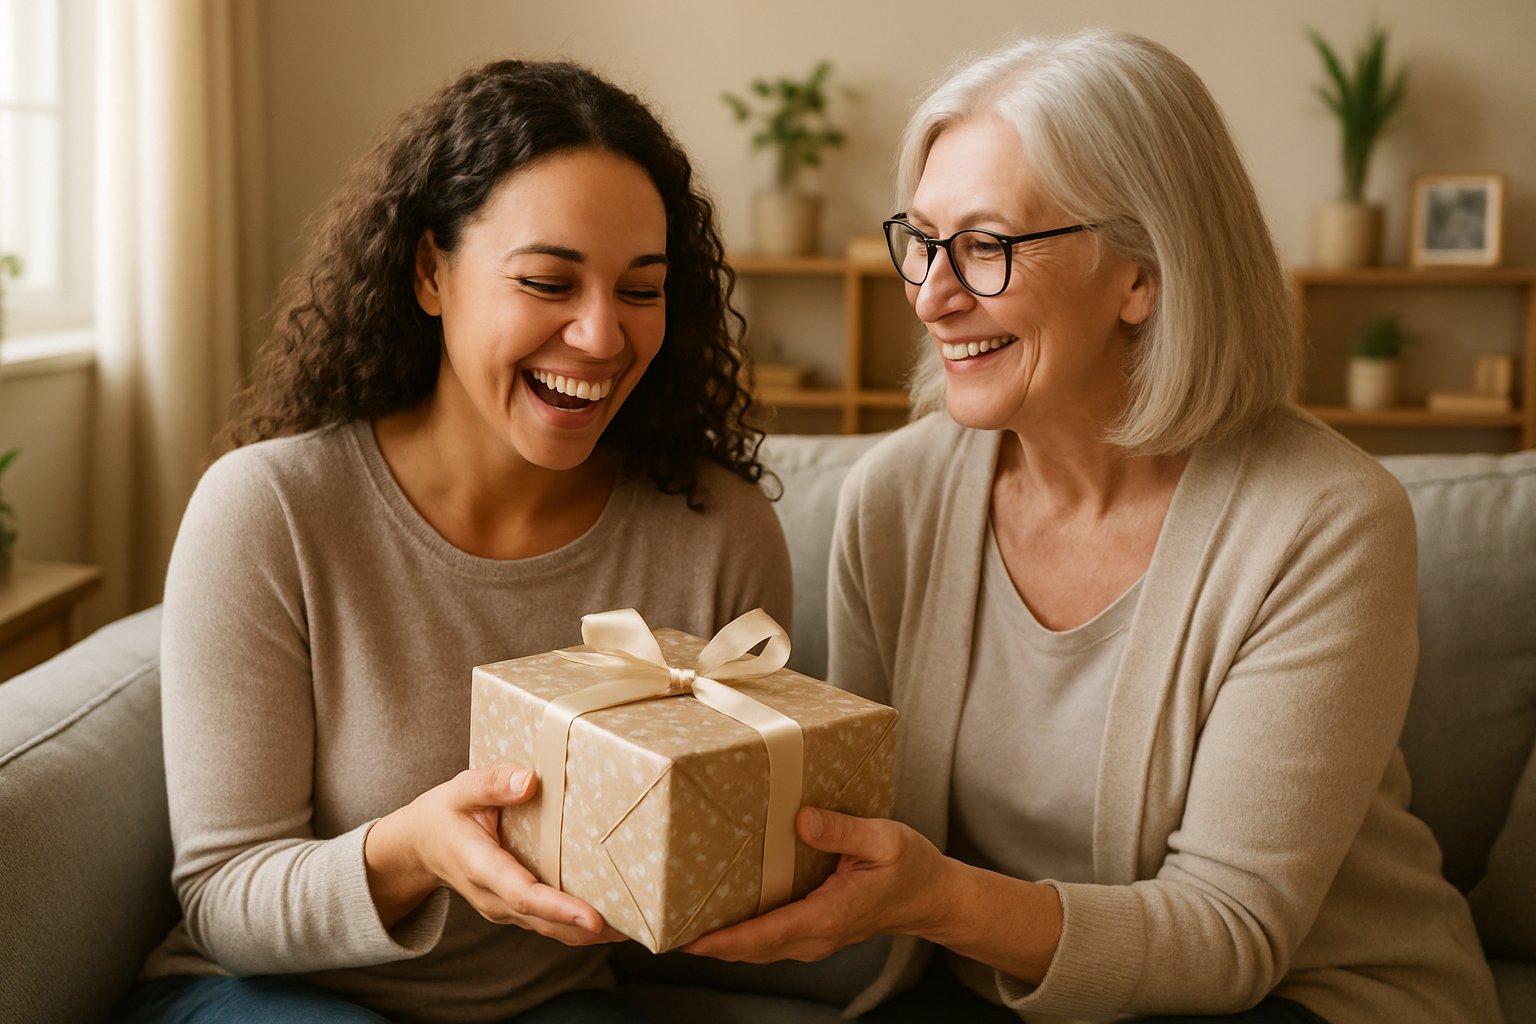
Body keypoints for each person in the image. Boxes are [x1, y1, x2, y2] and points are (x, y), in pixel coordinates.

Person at [685, 30, 1501, 1024]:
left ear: (1142, 274)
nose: (934, 295)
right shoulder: (895, 496)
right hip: (1000, 984)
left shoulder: (1324, 523)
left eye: (986, 246)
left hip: (1301, 994)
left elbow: (1231, 934)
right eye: (924, 239)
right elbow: (861, 822)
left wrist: (940, 896)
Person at [115, 59, 790, 1024]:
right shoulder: (270, 511)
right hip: (267, 992)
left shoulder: (717, 533)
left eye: (641, 290)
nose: (601, 336)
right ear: (431, 272)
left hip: (546, 1003)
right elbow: (226, 899)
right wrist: (413, 851)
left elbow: (725, 851)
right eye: (548, 281)